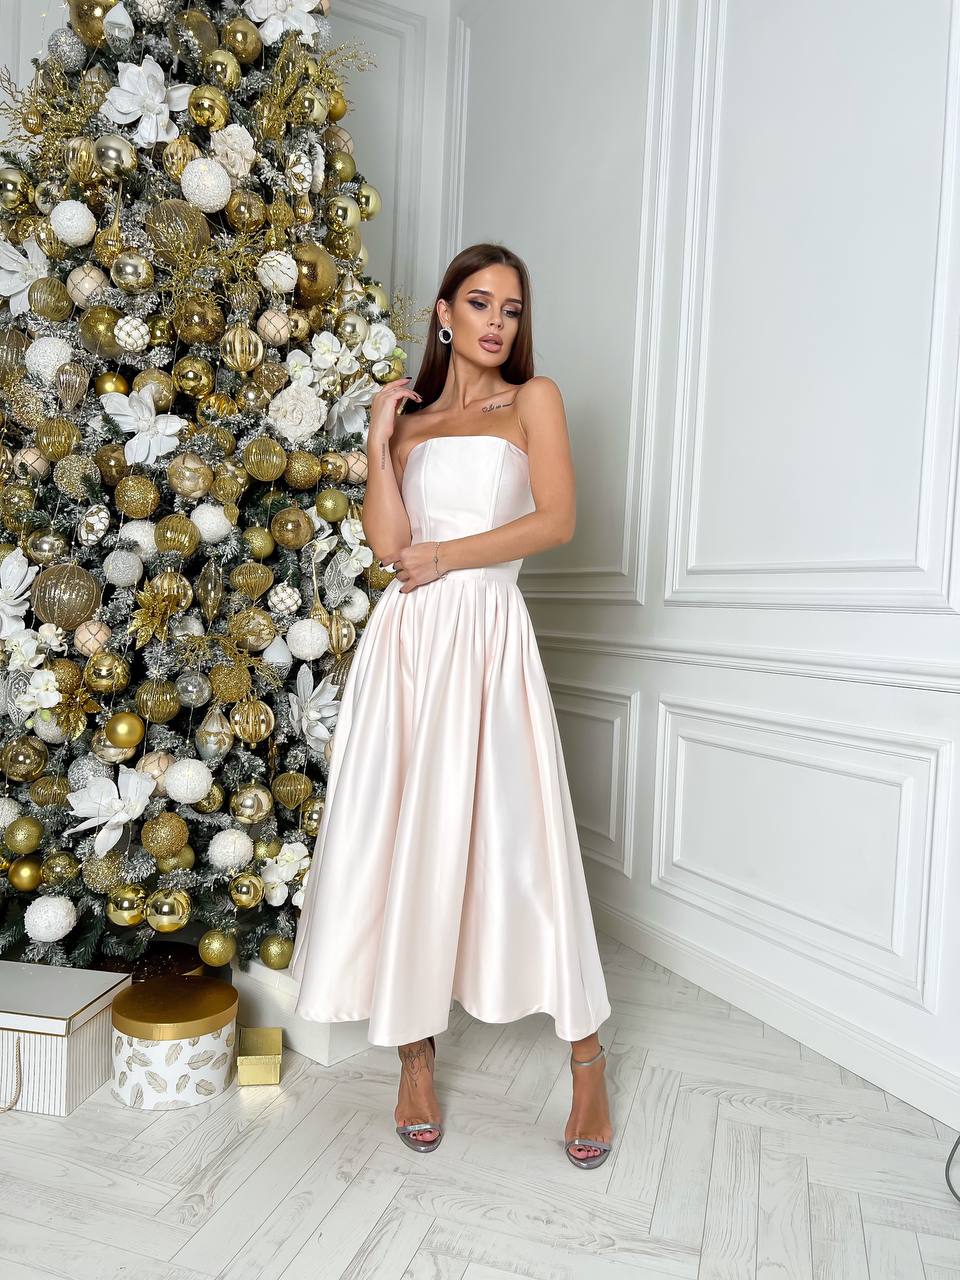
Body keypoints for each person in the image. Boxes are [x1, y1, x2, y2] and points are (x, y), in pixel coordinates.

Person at [290, 243, 614, 1168]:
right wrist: (376, 445)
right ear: (443, 312)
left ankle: (586, 1060)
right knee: (403, 837)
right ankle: (413, 1058)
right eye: (479, 303)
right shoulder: (415, 420)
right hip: (407, 646)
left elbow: (556, 520)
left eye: (511, 308)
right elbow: (392, 543)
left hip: (485, 635)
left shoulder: (533, 400)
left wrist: (449, 558)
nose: (496, 322)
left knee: (526, 839)